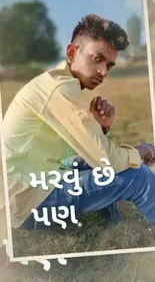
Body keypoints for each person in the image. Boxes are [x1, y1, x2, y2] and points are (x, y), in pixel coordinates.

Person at [2, 14, 155, 238]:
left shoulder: (59, 83)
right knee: (137, 176)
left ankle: (109, 228)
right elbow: (108, 162)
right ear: (73, 52)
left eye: (109, 64)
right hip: (25, 204)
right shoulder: (60, 90)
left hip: (33, 184)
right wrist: (145, 151)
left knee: (89, 163)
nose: (103, 71)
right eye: (97, 58)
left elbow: (80, 153)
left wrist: (99, 128)